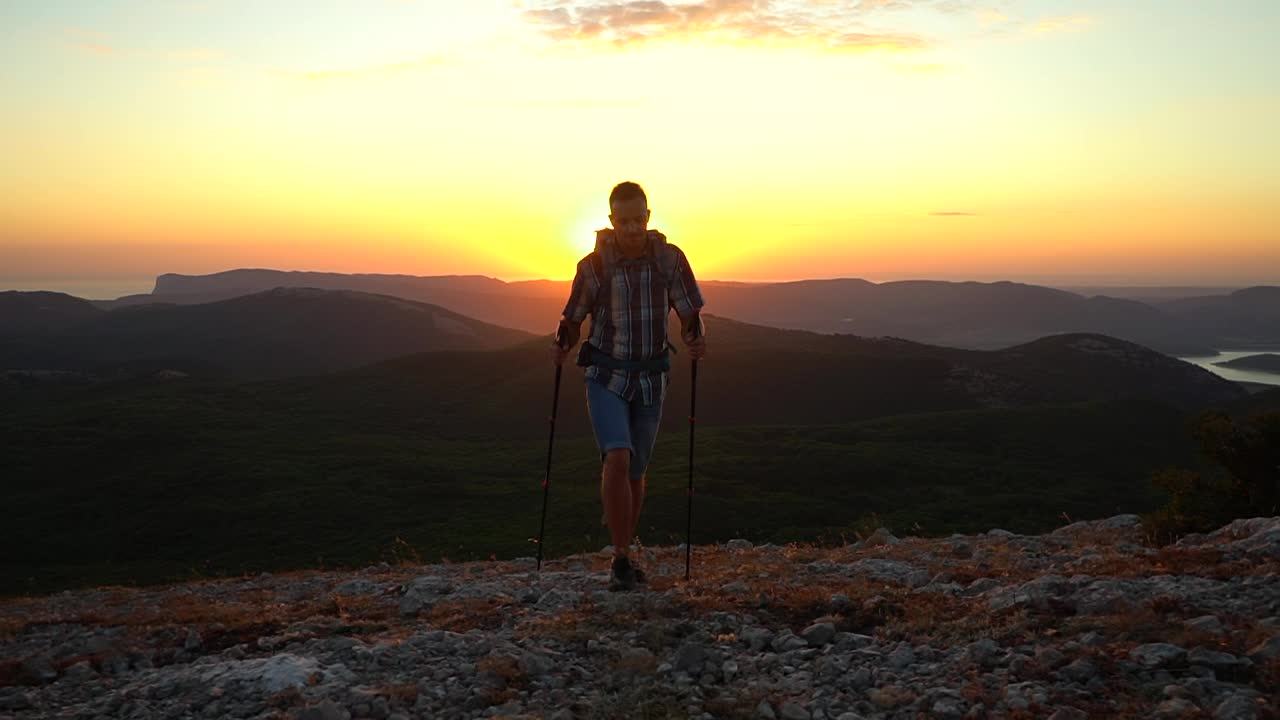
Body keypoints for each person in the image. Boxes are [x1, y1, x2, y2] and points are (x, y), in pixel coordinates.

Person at [551, 181, 706, 591]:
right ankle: (620, 557)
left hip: (652, 377)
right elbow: (574, 316)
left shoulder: (669, 260)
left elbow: (689, 309)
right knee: (617, 457)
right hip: (605, 374)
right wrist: (563, 344)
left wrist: (694, 335)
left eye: (639, 219)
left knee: (636, 469)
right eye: (625, 221)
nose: (633, 228)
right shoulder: (595, 266)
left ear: (649, 217)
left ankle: (625, 547)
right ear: (611, 221)